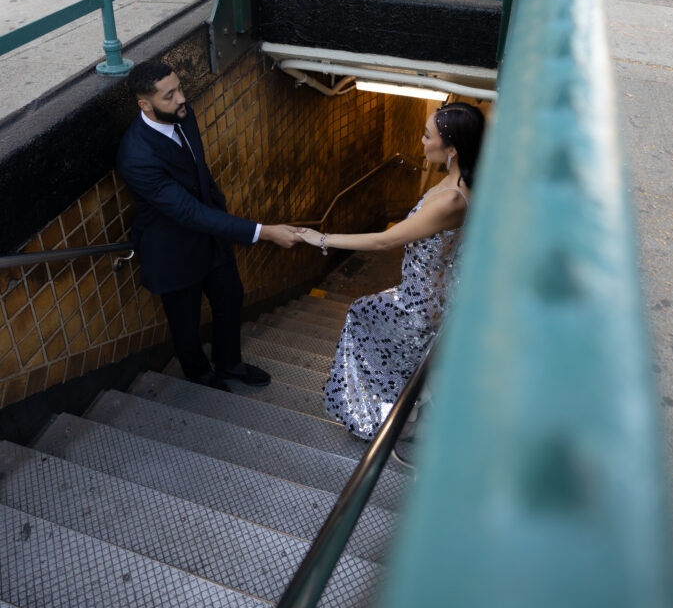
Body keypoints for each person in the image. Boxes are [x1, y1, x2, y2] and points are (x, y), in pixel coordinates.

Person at [297, 102, 485, 440]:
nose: (422, 141)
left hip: (421, 303)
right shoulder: (457, 181)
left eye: (429, 136)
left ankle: (389, 419)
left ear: (452, 148)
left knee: (360, 315)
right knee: (391, 341)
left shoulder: (452, 199)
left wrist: (321, 239)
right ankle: (408, 409)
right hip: (431, 290)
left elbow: (384, 242)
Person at [117, 60, 300, 391]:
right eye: (169, 95)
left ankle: (230, 363)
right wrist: (264, 232)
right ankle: (199, 374)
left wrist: (218, 207)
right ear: (145, 104)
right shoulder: (136, 156)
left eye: (179, 89)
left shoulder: (183, 116)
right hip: (172, 250)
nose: (181, 99)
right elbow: (186, 211)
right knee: (185, 322)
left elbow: (199, 173)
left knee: (230, 298)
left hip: (211, 236)